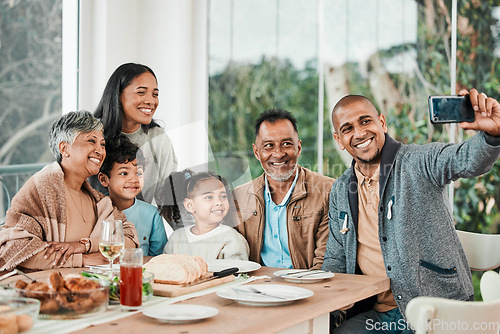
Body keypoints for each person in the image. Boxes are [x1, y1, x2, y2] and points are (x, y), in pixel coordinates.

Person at [323, 89, 500, 333]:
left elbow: (465, 159)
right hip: (379, 316)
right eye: (347, 128)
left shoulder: (418, 161)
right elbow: (335, 259)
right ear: (339, 140)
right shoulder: (341, 190)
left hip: (436, 308)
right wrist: (325, 307)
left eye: (365, 121)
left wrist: (492, 135)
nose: (360, 133)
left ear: (382, 122)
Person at [0, 111, 139, 272]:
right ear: (64, 148)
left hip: (88, 286)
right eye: (91, 141)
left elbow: (129, 238)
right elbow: (14, 247)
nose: (100, 150)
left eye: (102, 144)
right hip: (45, 289)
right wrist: (82, 259)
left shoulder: (97, 200)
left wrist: (85, 245)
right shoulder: (44, 186)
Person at [233, 109, 335, 269]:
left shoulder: (328, 191)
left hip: (308, 287)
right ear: (256, 152)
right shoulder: (238, 198)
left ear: (299, 148)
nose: (279, 154)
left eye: (286, 144)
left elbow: (326, 261)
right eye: (268, 146)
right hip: (256, 289)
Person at [94, 62, 178, 205]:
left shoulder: (158, 140)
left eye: (155, 94)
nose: (151, 101)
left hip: (140, 224)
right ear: (119, 95)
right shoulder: (92, 136)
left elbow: (170, 202)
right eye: (141, 92)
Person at [98, 135, 167, 256]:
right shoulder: (96, 209)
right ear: (104, 179)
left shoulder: (152, 214)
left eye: (139, 173)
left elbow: (158, 257)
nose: (134, 179)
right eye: (124, 173)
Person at [163, 170, 249, 260]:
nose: (219, 202)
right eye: (209, 197)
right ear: (189, 205)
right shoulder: (176, 238)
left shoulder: (232, 239)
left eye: (223, 196)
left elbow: (238, 272)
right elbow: (166, 268)